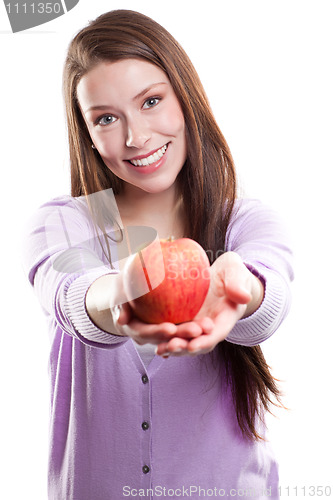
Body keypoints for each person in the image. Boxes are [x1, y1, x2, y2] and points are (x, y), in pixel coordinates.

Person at [23, 9, 293, 500]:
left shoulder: (247, 222)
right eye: (106, 118)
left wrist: (241, 290)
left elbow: (267, 294)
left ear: (185, 98)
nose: (136, 137)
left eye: (151, 101)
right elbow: (69, 294)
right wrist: (124, 294)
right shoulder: (63, 222)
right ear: (86, 132)